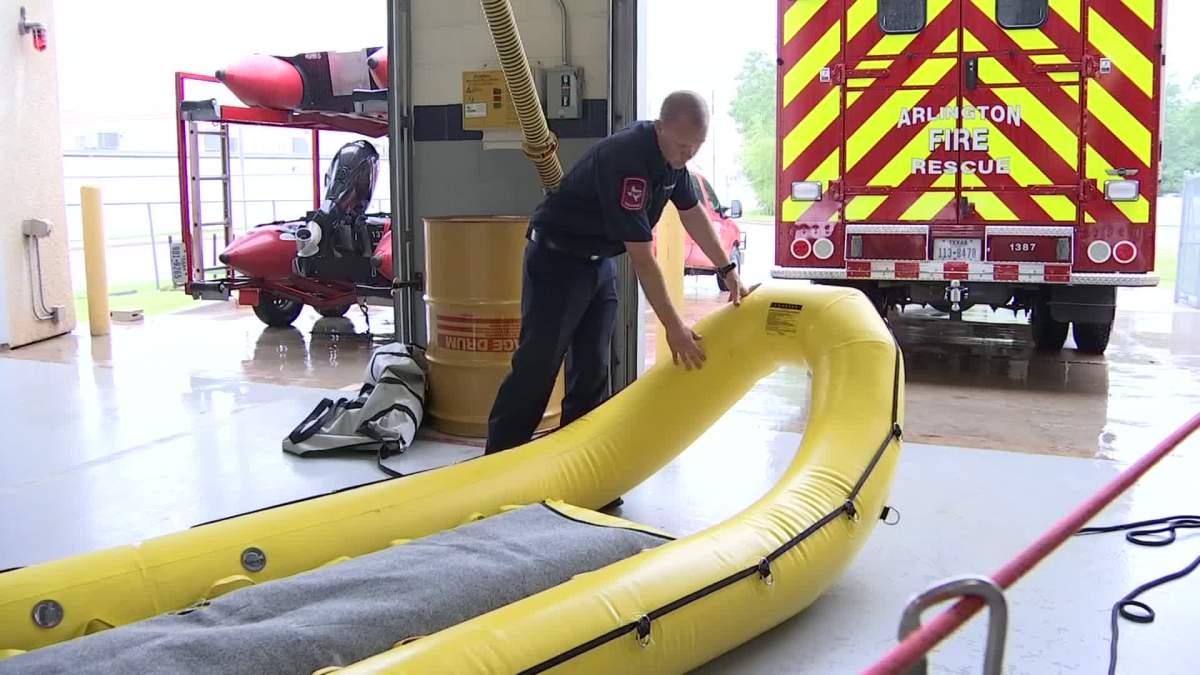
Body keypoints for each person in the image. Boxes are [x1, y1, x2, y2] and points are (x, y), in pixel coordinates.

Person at [485, 91, 751, 454]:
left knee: (593, 370)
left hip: (598, 262)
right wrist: (674, 329)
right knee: (538, 367)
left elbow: (692, 213)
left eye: (696, 147)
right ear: (660, 128)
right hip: (557, 261)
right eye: (683, 145)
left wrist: (727, 269)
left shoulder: (672, 163)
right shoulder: (627, 159)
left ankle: (578, 466)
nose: (688, 155)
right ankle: (498, 464)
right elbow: (643, 259)